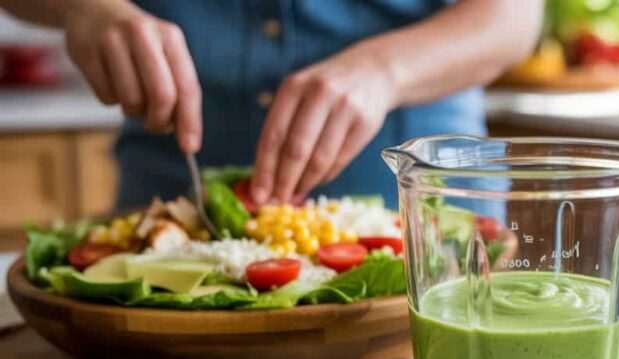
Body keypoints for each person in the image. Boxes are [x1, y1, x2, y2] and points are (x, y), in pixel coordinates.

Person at [0, 0, 542, 209]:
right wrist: (84, 9)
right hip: (167, 191)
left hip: (422, 205)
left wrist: (384, 70)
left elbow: (512, 19)